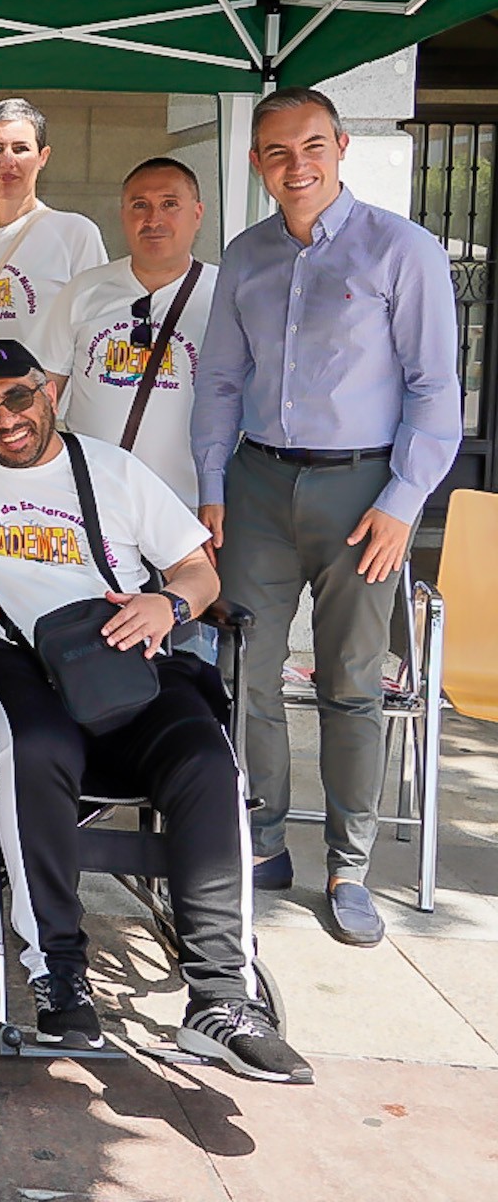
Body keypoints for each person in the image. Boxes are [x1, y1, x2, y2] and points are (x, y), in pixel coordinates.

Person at [0, 339, 312, 1083]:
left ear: (47, 392)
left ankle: (221, 997)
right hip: (18, 665)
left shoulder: (115, 470)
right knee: (35, 752)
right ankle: (59, 972)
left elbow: (199, 571)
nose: (5, 418)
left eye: (18, 397)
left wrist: (168, 603)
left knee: (208, 761)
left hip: (128, 656)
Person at [193, 87, 460, 948]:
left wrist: (403, 503)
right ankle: (263, 839)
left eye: (312, 146)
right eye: (277, 151)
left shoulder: (404, 250)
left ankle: (350, 865)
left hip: (364, 493)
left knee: (351, 685)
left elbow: (434, 391)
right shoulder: (245, 255)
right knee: (246, 672)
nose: (296, 165)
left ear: (341, 147)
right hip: (258, 487)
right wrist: (211, 486)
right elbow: (219, 380)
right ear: (256, 162)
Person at [37, 158, 215, 510]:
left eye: (170, 204)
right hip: (89, 501)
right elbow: (43, 393)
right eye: (140, 205)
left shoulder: (225, 296)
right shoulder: (84, 291)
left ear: (197, 214)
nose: (153, 219)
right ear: (122, 215)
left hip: (189, 506)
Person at [0, 98, 105, 347]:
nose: (7, 161)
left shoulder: (76, 233)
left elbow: (96, 324)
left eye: (20, 148)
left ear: (43, 156)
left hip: (41, 373)